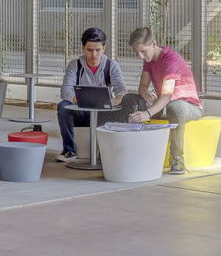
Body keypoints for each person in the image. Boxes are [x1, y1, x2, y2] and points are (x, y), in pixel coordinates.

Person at [126, 27, 203, 174]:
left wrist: (147, 113)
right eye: (137, 53)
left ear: (153, 44)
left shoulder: (170, 60)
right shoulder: (149, 59)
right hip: (164, 105)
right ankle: (130, 151)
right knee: (131, 100)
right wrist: (145, 92)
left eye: (143, 51)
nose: (141, 56)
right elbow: (142, 86)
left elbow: (167, 95)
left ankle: (177, 159)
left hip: (188, 107)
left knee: (175, 106)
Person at [55, 27, 126, 163]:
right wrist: (78, 99)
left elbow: (121, 90)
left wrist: (117, 99)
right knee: (63, 107)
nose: (94, 54)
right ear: (83, 48)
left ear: (104, 48)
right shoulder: (75, 65)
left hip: (102, 113)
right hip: (81, 111)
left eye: (98, 50)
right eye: (89, 50)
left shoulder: (111, 66)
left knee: (121, 109)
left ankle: (106, 151)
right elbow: (65, 91)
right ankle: (69, 150)